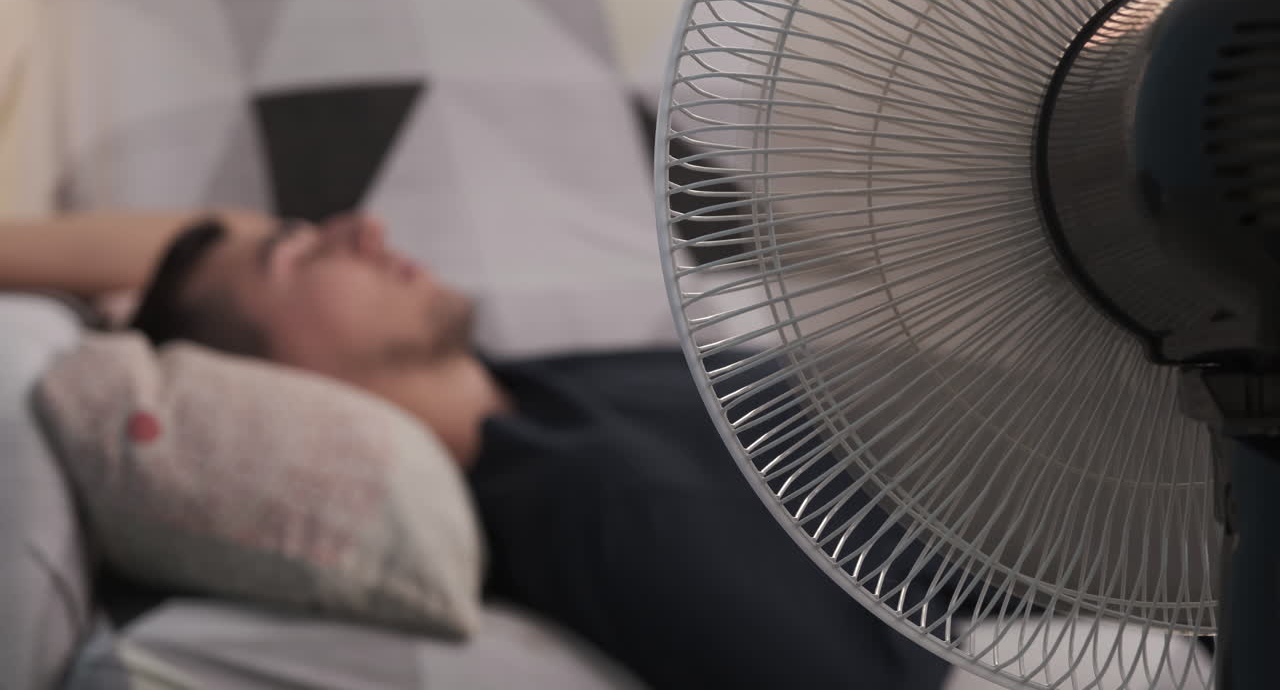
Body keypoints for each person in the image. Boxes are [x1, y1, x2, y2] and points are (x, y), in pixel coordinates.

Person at [0, 210, 958, 690]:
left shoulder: (540, 395)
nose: (362, 226)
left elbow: (209, 235)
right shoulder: (589, 507)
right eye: (302, 255)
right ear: (265, 381)